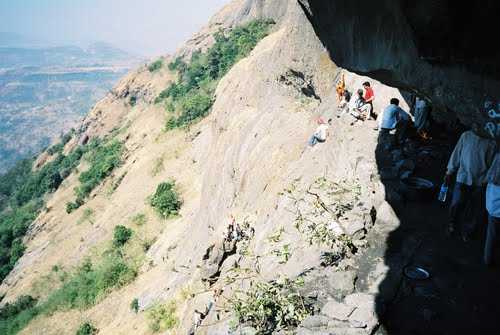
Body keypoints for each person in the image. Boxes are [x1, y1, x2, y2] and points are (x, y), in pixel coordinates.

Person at [444, 125, 497, 241]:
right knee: (456, 203)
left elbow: (493, 164)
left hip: (480, 181)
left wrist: (486, 180)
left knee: (475, 208)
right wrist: (450, 171)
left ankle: (467, 231)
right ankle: (452, 224)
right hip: (463, 177)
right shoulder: (466, 135)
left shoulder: (492, 142)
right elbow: (456, 154)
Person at [485, 151, 500, 265]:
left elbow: (490, 177)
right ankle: (489, 259)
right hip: (495, 206)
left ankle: (488, 260)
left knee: (492, 235)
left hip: (494, 206)